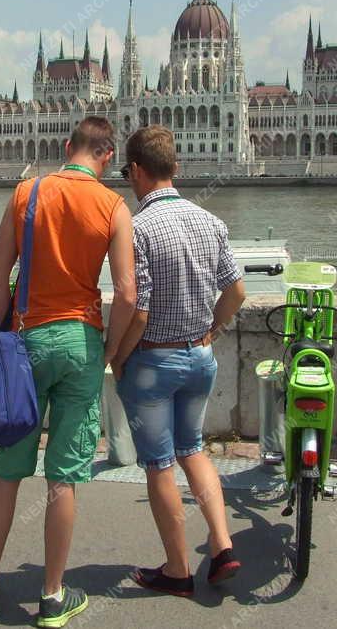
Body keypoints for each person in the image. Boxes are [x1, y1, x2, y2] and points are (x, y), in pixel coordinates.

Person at [0, 116, 136, 627]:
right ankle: (53, 597)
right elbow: (126, 293)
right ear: (106, 156)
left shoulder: (26, 192)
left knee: (8, 474)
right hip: (81, 342)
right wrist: (107, 349)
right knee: (63, 479)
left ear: (68, 147)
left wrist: (4, 328)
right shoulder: (112, 205)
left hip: (25, 340)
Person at [110, 125, 246, 597]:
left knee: (160, 465)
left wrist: (117, 357)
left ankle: (178, 569)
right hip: (199, 358)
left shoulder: (136, 227)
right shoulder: (211, 222)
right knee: (194, 451)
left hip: (152, 364)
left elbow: (138, 307)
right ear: (177, 168)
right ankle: (224, 545)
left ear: (138, 172)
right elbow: (237, 291)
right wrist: (214, 328)